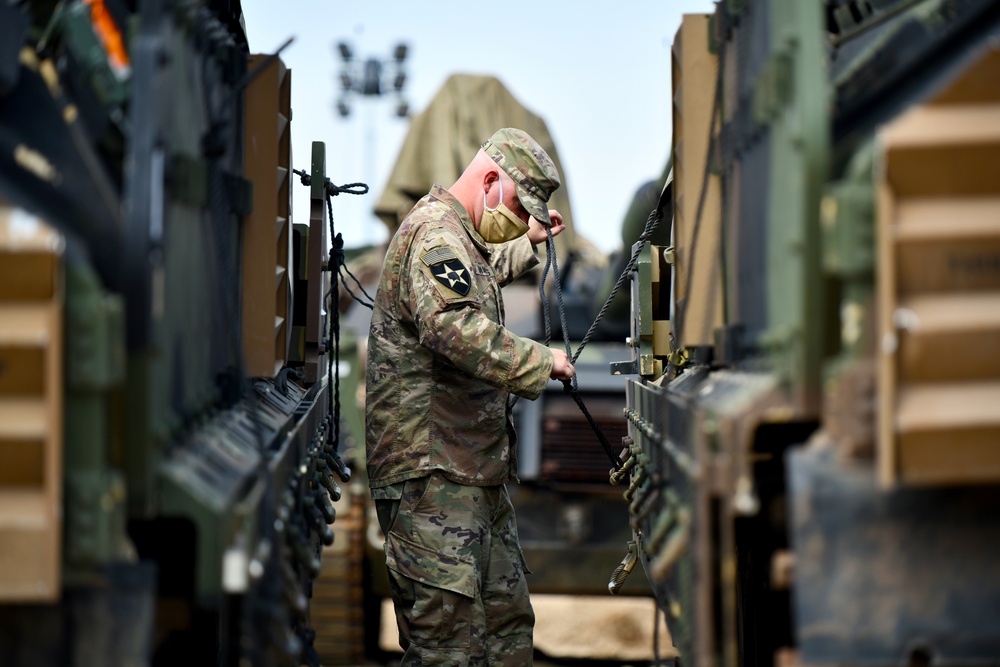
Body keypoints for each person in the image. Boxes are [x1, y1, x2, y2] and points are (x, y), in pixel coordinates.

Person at [365, 127, 575, 666]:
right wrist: (540, 360)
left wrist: (526, 245)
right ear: (488, 180)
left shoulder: (461, 238)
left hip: (470, 472)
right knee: (449, 649)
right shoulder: (434, 234)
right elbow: (452, 325)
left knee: (506, 633)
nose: (518, 217)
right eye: (516, 204)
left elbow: (474, 280)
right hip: (432, 477)